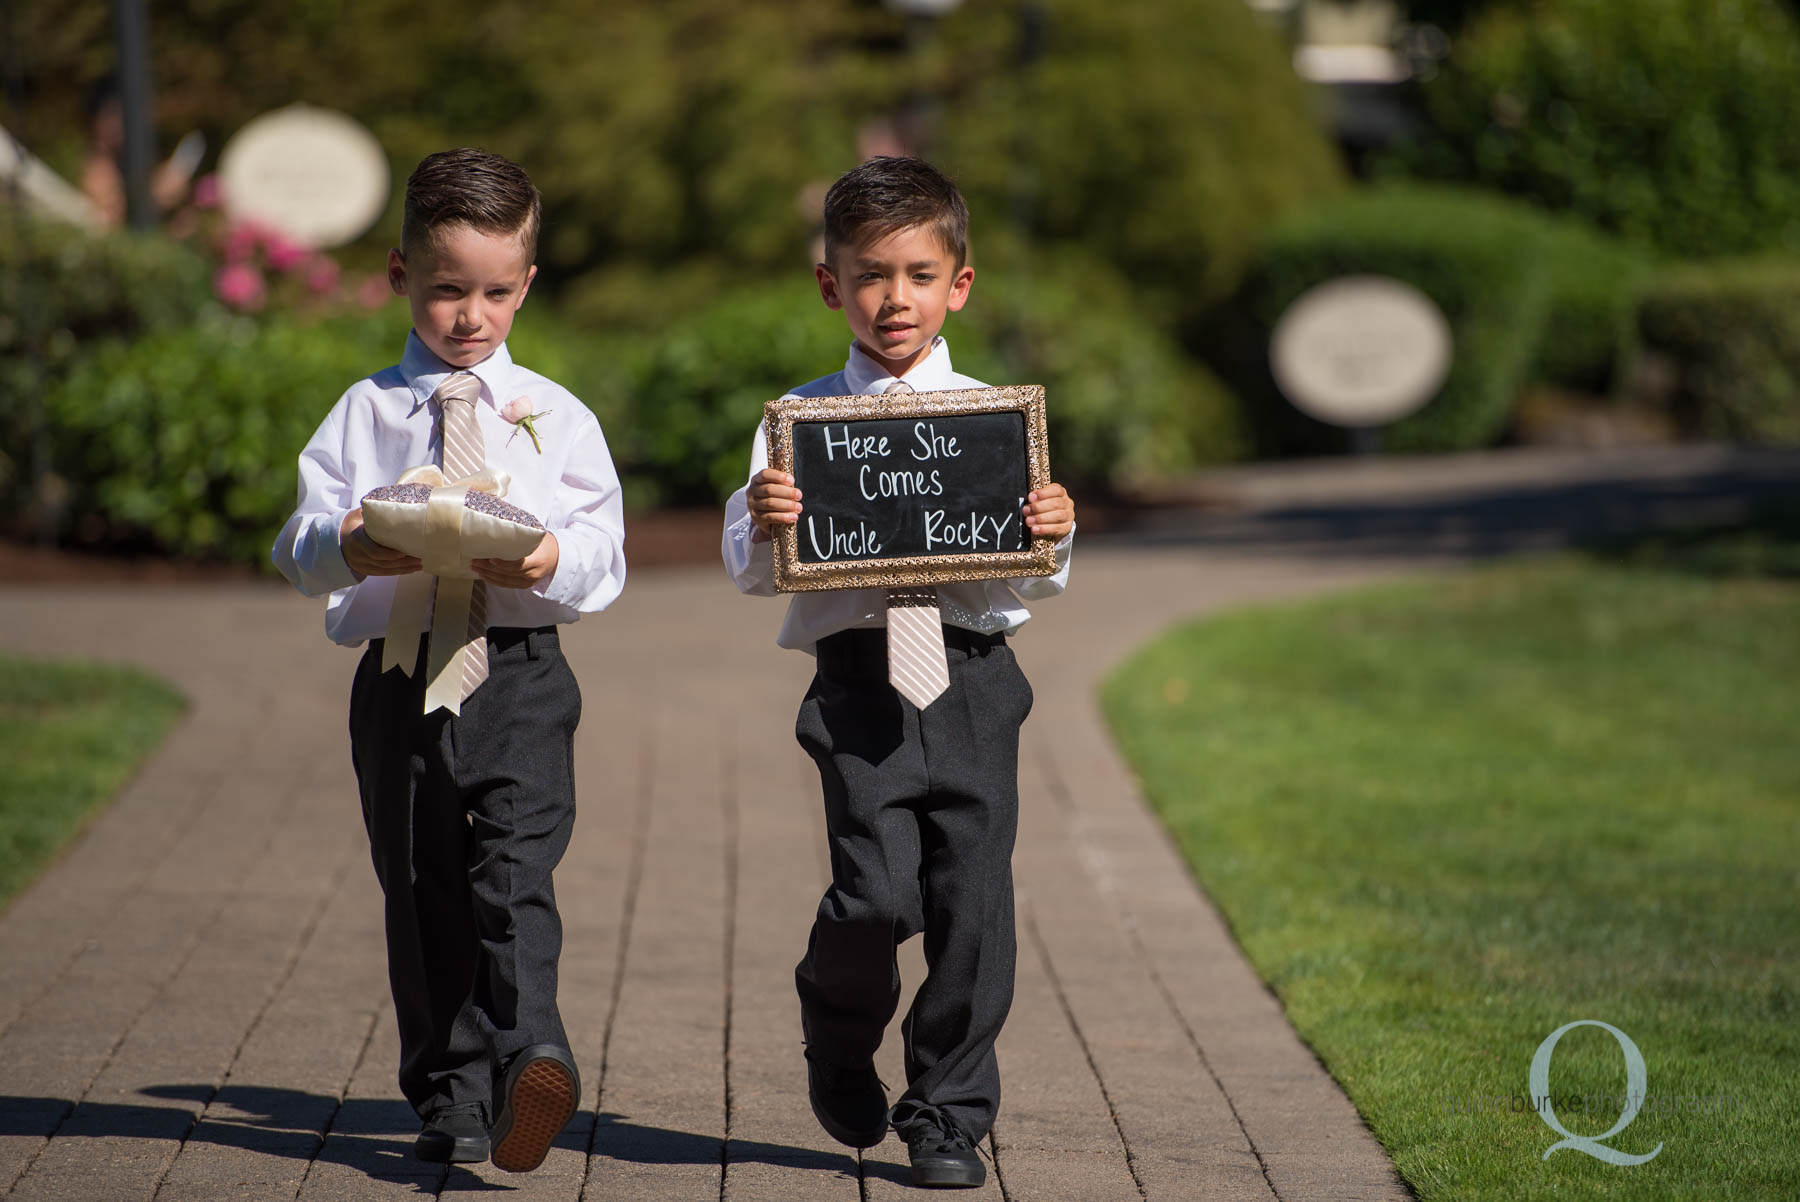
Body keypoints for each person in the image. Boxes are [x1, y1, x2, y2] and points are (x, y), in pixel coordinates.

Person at [721, 155, 1076, 1189]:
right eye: (871, 274)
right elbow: (750, 565)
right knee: (873, 896)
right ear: (831, 283)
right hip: (857, 685)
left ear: (959, 283)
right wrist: (765, 517)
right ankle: (837, 1032)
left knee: (975, 905)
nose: (895, 298)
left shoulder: (992, 415)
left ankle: (947, 1114)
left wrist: (1053, 531)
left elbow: (1039, 575)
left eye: (920, 274)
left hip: (974, 677)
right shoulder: (802, 420)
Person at [272, 148, 625, 1173]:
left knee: (514, 868)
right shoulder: (366, 410)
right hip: (400, 669)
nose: (471, 316)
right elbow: (297, 544)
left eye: (495, 292)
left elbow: (604, 555)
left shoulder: (558, 415)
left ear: (526, 283)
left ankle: (533, 1054)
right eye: (446, 289)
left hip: (519, 667)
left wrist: (551, 551)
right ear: (399, 275)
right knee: (423, 880)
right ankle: (451, 1092)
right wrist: (347, 543)